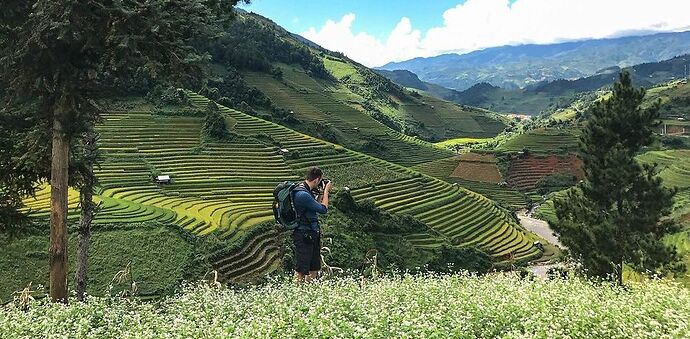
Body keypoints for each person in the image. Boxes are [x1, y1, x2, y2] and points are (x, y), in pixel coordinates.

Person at [292, 166, 332, 283]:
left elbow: (315, 204)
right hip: (303, 234)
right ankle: (297, 292)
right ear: (316, 180)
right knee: (301, 268)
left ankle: (309, 290)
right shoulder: (302, 194)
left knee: (314, 266)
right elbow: (323, 209)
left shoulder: (305, 191)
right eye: (319, 181)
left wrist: (320, 193)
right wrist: (326, 192)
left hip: (311, 232)